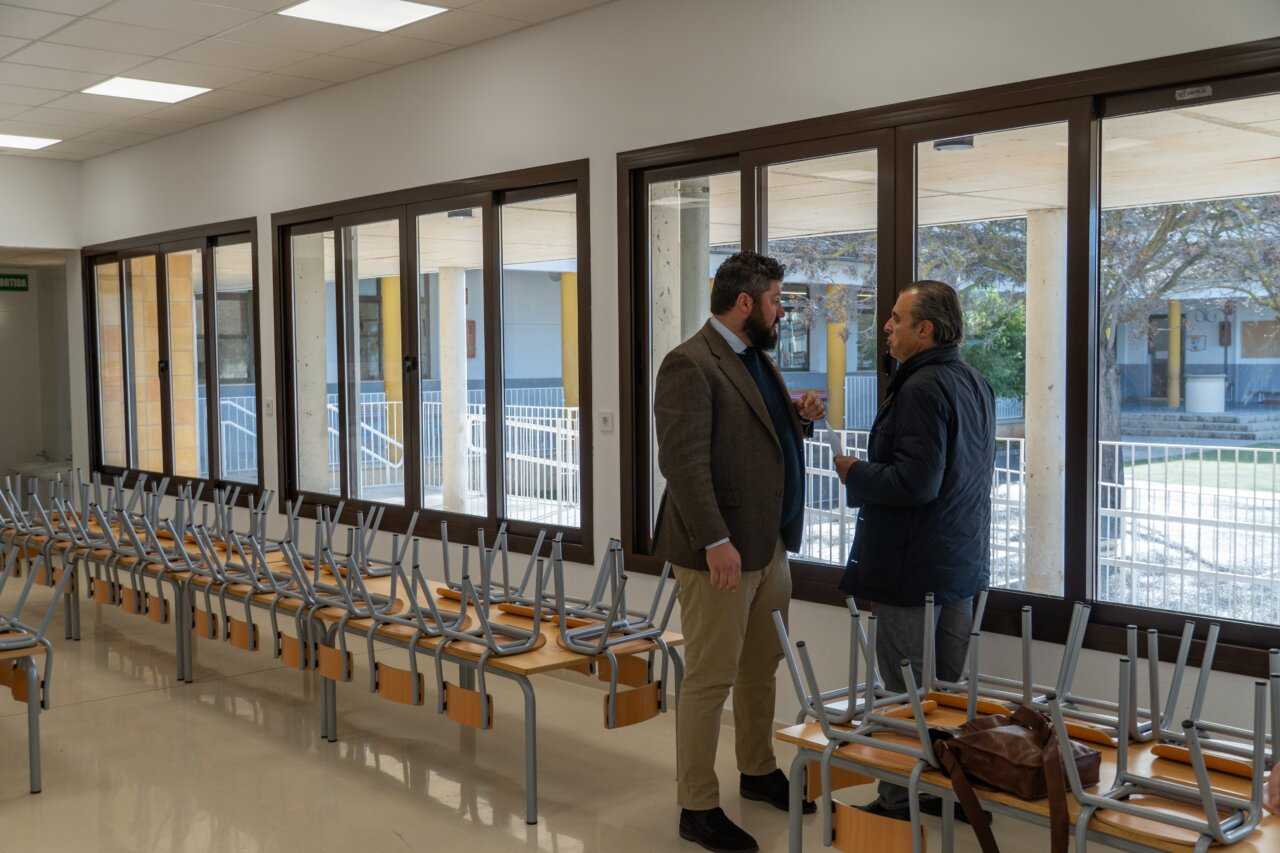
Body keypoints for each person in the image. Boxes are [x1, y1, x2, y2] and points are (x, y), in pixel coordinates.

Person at [654, 250, 824, 853]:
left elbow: (754, 437)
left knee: (760, 670)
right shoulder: (688, 364)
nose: (782, 312)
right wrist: (715, 541)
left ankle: (756, 770)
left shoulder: (755, 359)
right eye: (777, 300)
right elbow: (682, 464)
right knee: (709, 678)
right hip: (718, 554)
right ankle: (696, 806)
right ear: (745, 303)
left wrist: (799, 417)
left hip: (770, 546)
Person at [834, 279, 995, 822]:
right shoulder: (973, 381)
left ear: (924, 329)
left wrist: (855, 471)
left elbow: (916, 483)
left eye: (897, 319)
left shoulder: (922, 388)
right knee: (945, 697)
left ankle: (897, 802)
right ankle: (942, 793)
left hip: (912, 568)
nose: (887, 326)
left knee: (905, 696)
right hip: (959, 562)